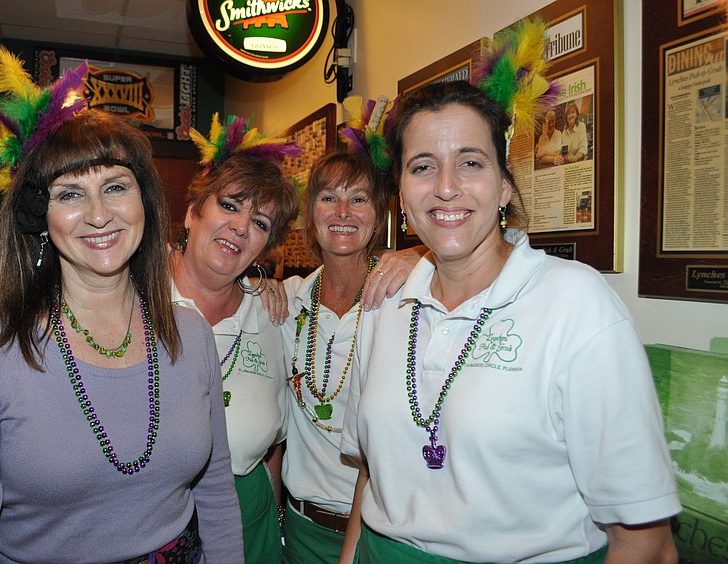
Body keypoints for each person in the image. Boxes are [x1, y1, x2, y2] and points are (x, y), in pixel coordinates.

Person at [339, 80, 680, 563]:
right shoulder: (385, 301)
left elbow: (645, 540)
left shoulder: (574, 303)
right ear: (401, 194)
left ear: (504, 185)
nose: (445, 187)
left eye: (471, 162)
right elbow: (372, 476)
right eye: (422, 167)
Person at [0, 49, 242, 563]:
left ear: (144, 202)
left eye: (116, 187)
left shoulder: (191, 333)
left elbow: (215, 495)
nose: (99, 215)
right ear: (41, 217)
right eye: (70, 194)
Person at [171, 114, 300, 563]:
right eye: (229, 206)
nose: (243, 228)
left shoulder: (272, 314)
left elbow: (275, 445)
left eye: (261, 223)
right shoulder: (131, 299)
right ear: (192, 213)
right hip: (154, 519)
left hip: (252, 519)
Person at [280, 150, 394, 563]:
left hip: (379, 535)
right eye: (329, 197)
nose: (343, 211)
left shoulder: (404, 301)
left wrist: (423, 258)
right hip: (301, 530)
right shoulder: (289, 300)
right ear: (311, 214)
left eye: (359, 198)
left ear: (379, 216)